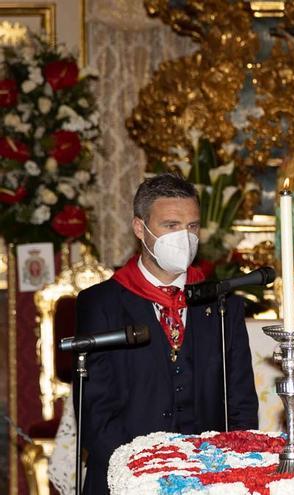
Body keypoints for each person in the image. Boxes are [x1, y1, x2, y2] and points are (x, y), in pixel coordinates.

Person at [75, 173, 258, 494]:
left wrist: (231, 468)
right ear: (139, 228)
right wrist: (140, 473)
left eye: (192, 227)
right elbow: (95, 409)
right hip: (127, 477)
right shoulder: (101, 303)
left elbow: (240, 400)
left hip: (209, 478)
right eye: (171, 226)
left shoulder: (222, 302)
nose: (184, 238)